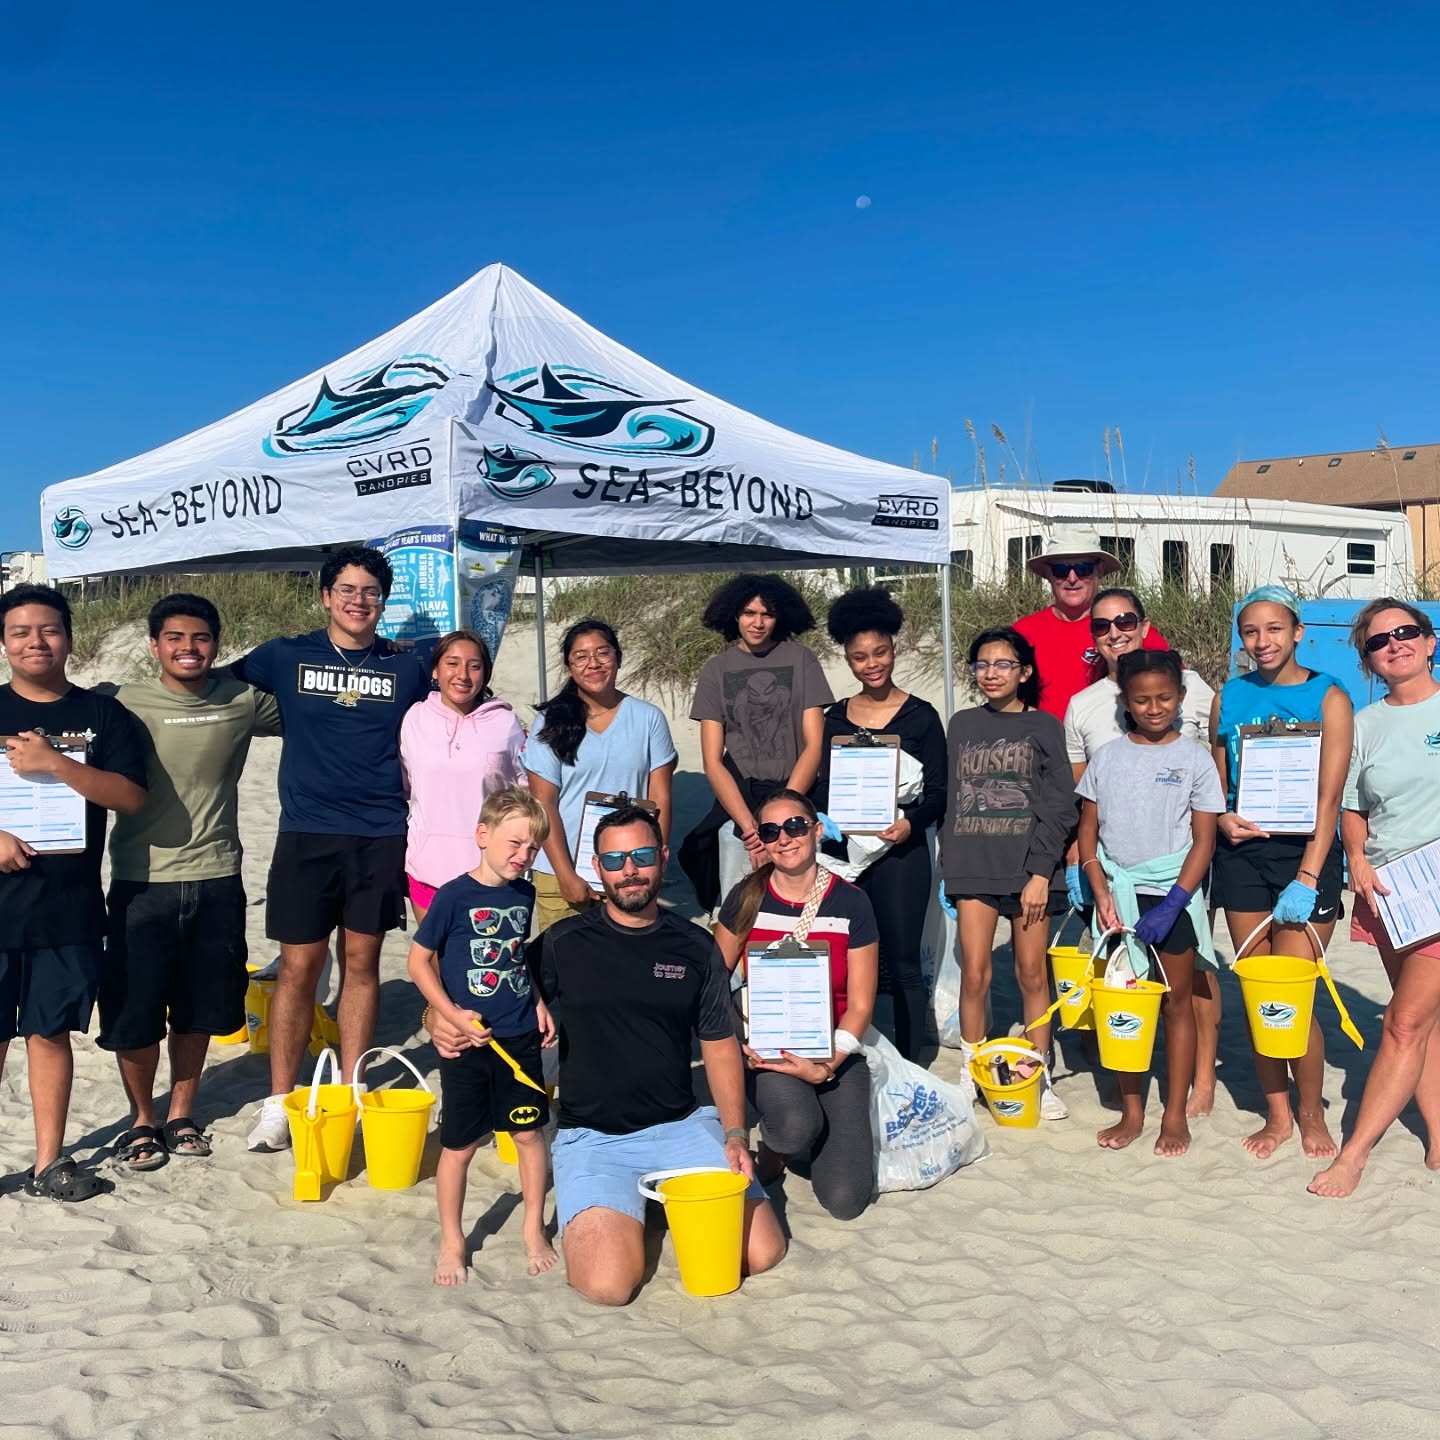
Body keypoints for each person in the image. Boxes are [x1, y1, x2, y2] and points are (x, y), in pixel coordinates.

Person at [429, 806, 786, 1306]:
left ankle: (664, 1200)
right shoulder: (562, 943)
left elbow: (720, 1042)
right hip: (595, 1139)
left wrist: (733, 1133)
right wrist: (436, 1018)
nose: (629, 870)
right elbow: (491, 990)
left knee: (762, 1252)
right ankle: (631, 1207)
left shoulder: (694, 946)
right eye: (615, 859)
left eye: (641, 855)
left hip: (680, 1127)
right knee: (607, 1285)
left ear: (661, 858)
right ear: (597, 868)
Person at [231, 546, 432, 1152]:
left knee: (363, 966)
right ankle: (279, 1101)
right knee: (298, 968)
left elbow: (460, 691)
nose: (358, 600)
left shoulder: (407, 667)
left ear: (383, 601)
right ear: (325, 596)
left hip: (378, 834)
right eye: (346, 589)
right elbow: (212, 683)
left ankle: (350, 1090)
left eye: (370, 592)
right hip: (306, 833)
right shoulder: (285, 656)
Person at [99, 593, 282, 1170]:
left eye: (200, 638)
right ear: (153, 646)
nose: (188, 647)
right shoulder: (120, 703)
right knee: (136, 1009)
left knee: (200, 1007)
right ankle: (141, 1121)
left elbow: (325, 708)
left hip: (218, 876)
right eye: (175, 638)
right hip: (139, 878)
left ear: (217, 645)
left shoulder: (243, 700)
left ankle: (180, 1113)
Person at [0, 584, 147, 1201]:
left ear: (69, 637)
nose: (36, 642)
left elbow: (132, 797)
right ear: (5, 643)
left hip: (67, 907)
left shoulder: (104, 716)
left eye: (49, 630)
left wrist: (57, 764)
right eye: (21, 632)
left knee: (50, 1033)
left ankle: (48, 1163)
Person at [1210, 585, 1353, 1160]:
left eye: (1273, 629)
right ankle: (1276, 1114)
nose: (1261, 641)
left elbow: (1331, 794)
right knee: (1256, 992)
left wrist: (1310, 875)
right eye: (1250, 631)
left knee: (1292, 996)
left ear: (1298, 632)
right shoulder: (1231, 694)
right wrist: (1222, 819)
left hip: (1306, 855)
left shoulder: (1330, 696)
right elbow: (1218, 781)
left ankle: (1311, 1112)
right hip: (1244, 854)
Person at [1063, 587, 1220, 1114]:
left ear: (1180, 697)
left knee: (1177, 1004)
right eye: (1142, 700)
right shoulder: (1106, 757)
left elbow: (1204, 839)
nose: (1154, 708)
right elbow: (1089, 831)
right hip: (1116, 900)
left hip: (1171, 895)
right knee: (1123, 1003)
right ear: (1125, 703)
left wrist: (1176, 901)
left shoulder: (1196, 759)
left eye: (1165, 699)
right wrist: (1099, 887)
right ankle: (1133, 1111)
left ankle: (1173, 1114)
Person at [1311, 601, 1440, 1197]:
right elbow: (1352, 806)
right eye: (1379, 641)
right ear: (1366, 659)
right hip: (1388, 887)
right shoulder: (1363, 723)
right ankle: (1439, 1137)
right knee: (1424, 1025)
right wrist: (1356, 858)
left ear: (1431, 640)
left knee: (1404, 1022)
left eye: (1406, 632)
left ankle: (1354, 1154)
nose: (1396, 644)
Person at [407, 788, 557, 1283]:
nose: (523, 856)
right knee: (461, 1145)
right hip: (470, 1041)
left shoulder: (525, 892)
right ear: (482, 835)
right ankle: (453, 1239)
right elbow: (417, 961)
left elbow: (515, 955)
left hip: (519, 1036)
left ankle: (533, 1227)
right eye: (514, 843)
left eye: (532, 848)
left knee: (529, 1134)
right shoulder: (453, 896)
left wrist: (536, 1001)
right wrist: (448, 1015)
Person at [715, 790, 878, 1219]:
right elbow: (713, 982)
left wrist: (827, 1066)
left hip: (834, 1046)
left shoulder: (852, 902)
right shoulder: (747, 897)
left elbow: (861, 1003)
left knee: (846, 1200)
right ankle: (778, 1148)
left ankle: (811, 1128)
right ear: (762, 841)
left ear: (817, 830)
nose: (784, 838)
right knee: (793, 1127)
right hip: (769, 1046)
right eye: (771, 831)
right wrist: (738, 1042)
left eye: (795, 826)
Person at [941, 626, 1075, 1120]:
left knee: (1031, 973)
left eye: (1003, 664)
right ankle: (970, 1074)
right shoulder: (961, 724)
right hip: (973, 867)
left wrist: (1041, 872)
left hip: (1027, 871)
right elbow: (953, 799)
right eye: (982, 664)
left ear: (1025, 672)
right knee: (974, 974)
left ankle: (1037, 1076)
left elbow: (1062, 806)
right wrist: (947, 866)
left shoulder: (1044, 726)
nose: (991, 673)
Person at [814, 587, 945, 1060]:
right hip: (843, 853)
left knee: (903, 962)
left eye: (880, 653)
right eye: (859, 657)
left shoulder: (922, 717)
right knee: (840, 961)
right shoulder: (832, 718)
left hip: (902, 854)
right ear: (847, 660)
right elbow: (817, 787)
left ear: (895, 649)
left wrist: (912, 825)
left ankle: (914, 1062)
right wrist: (820, 821)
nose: (872, 664)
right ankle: (842, 1054)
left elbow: (939, 794)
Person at [523, 619, 676, 933]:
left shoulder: (648, 718)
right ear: (569, 667)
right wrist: (566, 875)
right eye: (581, 657)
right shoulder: (550, 721)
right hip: (560, 870)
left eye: (602, 653)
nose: (593, 663)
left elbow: (660, 797)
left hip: (628, 869)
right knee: (566, 973)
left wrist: (654, 864)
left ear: (617, 657)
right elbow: (543, 803)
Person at [689, 575, 833, 907]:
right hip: (742, 797)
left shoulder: (801, 659)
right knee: (741, 907)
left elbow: (814, 743)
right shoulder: (716, 669)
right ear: (733, 616)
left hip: (797, 792)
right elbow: (712, 760)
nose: (757, 623)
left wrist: (783, 821)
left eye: (766, 614)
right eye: (748, 613)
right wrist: (753, 832)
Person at [400, 629, 527, 922]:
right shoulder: (414, 719)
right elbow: (407, 786)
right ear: (435, 670)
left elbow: (524, 793)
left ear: (485, 674)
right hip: (427, 871)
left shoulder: (505, 724)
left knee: (479, 965)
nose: (463, 675)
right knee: (432, 964)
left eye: (474, 665)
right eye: (452, 663)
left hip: (489, 872)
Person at [1014, 525, 1169, 721]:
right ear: (1049, 575)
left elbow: (1175, 687)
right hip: (1045, 747)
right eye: (1061, 570)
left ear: (1100, 571)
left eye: (1083, 569)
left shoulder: (1129, 631)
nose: (1072, 578)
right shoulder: (1024, 632)